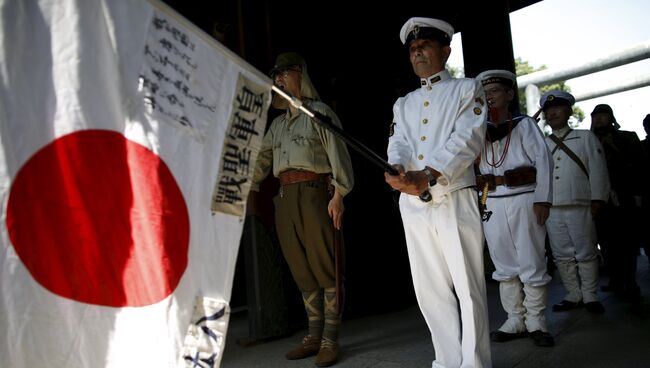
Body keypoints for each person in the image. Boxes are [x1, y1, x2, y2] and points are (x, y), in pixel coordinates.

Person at [385, 17, 492, 368]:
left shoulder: (466, 88)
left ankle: (474, 363)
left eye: (424, 46)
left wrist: (429, 174)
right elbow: (398, 142)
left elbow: (468, 138)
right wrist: (397, 170)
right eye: (413, 49)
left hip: (453, 196)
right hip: (413, 203)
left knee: (468, 287)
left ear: (445, 50)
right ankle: (446, 361)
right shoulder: (404, 103)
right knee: (429, 289)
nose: (417, 52)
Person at [248, 52, 354, 367]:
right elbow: (261, 162)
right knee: (300, 269)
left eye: (286, 73)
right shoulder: (277, 126)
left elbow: (339, 154)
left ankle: (330, 339)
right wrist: (243, 188)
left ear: (301, 75)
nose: (279, 79)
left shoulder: (319, 113)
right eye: (276, 75)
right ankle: (312, 334)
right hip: (285, 198)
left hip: (315, 195)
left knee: (326, 267)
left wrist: (340, 194)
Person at [475, 69, 554, 347]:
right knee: (503, 264)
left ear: (509, 94)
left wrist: (543, 199)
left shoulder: (523, 124)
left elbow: (544, 161)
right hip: (492, 200)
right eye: (485, 93)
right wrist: (479, 206)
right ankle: (515, 319)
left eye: (495, 91)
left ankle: (536, 320)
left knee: (531, 260)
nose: (489, 97)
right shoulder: (476, 129)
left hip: (524, 197)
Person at [541, 91, 610, 314]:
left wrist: (598, 198)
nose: (552, 113)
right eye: (548, 110)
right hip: (552, 207)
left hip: (581, 204)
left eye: (557, 108)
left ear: (569, 111)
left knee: (586, 250)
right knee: (561, 254)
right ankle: (573, 294)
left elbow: (598, 170)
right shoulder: (542, 143)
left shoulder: (585, 137)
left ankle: (590, 295)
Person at [590, 104, 647, 303]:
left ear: (611, 118)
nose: (598, 120)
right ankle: (615, 278)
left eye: (603, 116)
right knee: (606, 244)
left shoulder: (628, 138)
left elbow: (640, 167)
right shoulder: (588, 141)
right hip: (599, 200)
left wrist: (638, 194)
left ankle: (630, 282)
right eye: (595, 116)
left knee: (628, 244)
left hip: (624, 197)